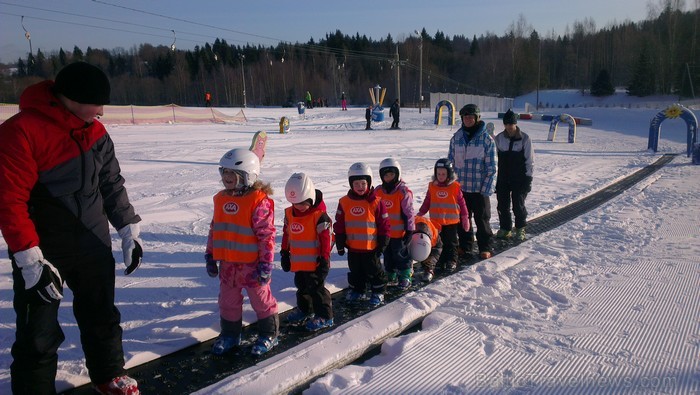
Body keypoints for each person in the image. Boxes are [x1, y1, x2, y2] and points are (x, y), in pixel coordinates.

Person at [0, 61, 143, 394]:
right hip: (43, 251)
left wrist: (127, 228)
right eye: (96, 104)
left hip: (92, 241)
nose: (102, 112)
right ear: (70, 98)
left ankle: (108, 374)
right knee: (38, 331)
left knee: (102, 315)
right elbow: (9, 201)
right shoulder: (21, 131)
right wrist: (29, 259)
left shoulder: (95, 130)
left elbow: (111, 184)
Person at [205, 148, 279, 356]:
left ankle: (269, 334)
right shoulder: (220, 199)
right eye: (224, 173)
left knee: (261, 301)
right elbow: (215, 228)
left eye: (232, 174)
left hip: (252, 265)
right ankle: (230, 334)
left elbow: (266, 236)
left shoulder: (258, 200)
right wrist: (210, 255)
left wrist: (266, 264)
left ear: (248, 175)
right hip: (228, 264)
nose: (226, 178)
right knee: (227, 302)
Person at [280, 173, 334, 332]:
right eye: (294, 203)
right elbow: (287, 234)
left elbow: (326, 240)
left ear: (310, 199)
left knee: (317, 290)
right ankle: (305, 310)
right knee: (302, 287)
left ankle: (325, 316)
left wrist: (324, 260)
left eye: (302, 203)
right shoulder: (289, 214)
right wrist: (284, 253)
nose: (298, 207)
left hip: (316, 263)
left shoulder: (319, 217)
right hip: (299, 262)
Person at [334, 162, 390, 307]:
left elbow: (384, 225)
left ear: (369, 183)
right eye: (356, 184)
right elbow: (339, 224)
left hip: (371, 247)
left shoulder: (376, 202)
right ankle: (358, 290)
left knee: (374, 270)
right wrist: (340, 243)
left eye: (363, 183)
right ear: (351, 184)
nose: (360, 187)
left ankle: (378, 291)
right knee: (355, 271)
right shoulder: (344, 202)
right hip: (353, 247)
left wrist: (383, 243)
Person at [448, 103, 498, 260]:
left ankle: (485, 247)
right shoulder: (456, 138)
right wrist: (449, 184)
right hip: (461, 189)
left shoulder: (486, 140)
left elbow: (492, 167)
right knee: (463, 220)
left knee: (482, 220)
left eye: (471, 117)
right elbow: (451, 162)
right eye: (465, 117)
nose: (468, 119)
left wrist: (486, 189)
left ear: (477, 118)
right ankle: (465, 246)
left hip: (479, 189)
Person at [417, 159, 470, 272]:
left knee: (451, 243)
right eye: (438, 174)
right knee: (437, 243)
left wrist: (465, 217)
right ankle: (440, 259)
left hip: (451, 222)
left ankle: (451, 260)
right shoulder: (432, 186)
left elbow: (462, 203)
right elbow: (427, 201)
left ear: (449, 174)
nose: (440, 176)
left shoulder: (455, 187)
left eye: (443, 174)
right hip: (436, 222)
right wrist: (420, 213)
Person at [494, 109, 534, 241]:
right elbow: (494, 158)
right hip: (503, 176)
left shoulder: (525, 139)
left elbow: (529, 160)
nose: (509, 127)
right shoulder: (499, 138)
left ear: (515, 124)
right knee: (502, 204)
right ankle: (505, 228)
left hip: (519, 177)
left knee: (518, 204)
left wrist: (528, 179)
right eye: (507, 124)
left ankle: (520, 227)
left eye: (511, 124)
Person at [375, 158, 415, 289]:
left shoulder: (402, 192)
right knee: (388, 255)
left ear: (397, 174)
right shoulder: (378, 191)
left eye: (392, 174)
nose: (389, 178)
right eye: (386, 175)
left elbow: (409, 212)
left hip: (399, 233)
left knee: (401, 254)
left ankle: (405, 275)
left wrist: (410, 229)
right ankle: (390, 274)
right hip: (385, 233)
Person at [406, 216, 443, 282]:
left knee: (435, 253)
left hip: (430, 226)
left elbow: (437, 251)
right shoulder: (406, 232)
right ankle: (406, 270)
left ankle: (429, 268)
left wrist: (430, 266)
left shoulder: (435, 238)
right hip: (411, 228)